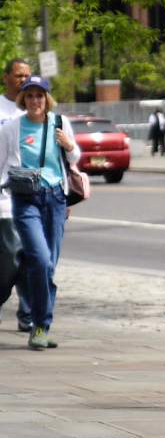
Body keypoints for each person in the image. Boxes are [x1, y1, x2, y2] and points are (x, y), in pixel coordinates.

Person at [0, 75, 80, 350]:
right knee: (41, 259)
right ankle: (40, 321)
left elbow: (74, 158)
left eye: (40, 95)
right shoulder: (11, 128)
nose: (35, 100)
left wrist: (69, 146)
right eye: (30, 96)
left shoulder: (59, 123)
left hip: (55, 198)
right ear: (23, 99)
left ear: (47, 99)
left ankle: (41, 326)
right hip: (25, 201)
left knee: (49, 266)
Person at [0, 58, 33, 332]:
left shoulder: (35, 109)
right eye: (19, 75)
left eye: (27, 75)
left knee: (33, 256)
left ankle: (28, 312)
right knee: (10, 256)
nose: (23, 80)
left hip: (34, 196)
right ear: (6, 77)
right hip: (5, 197)